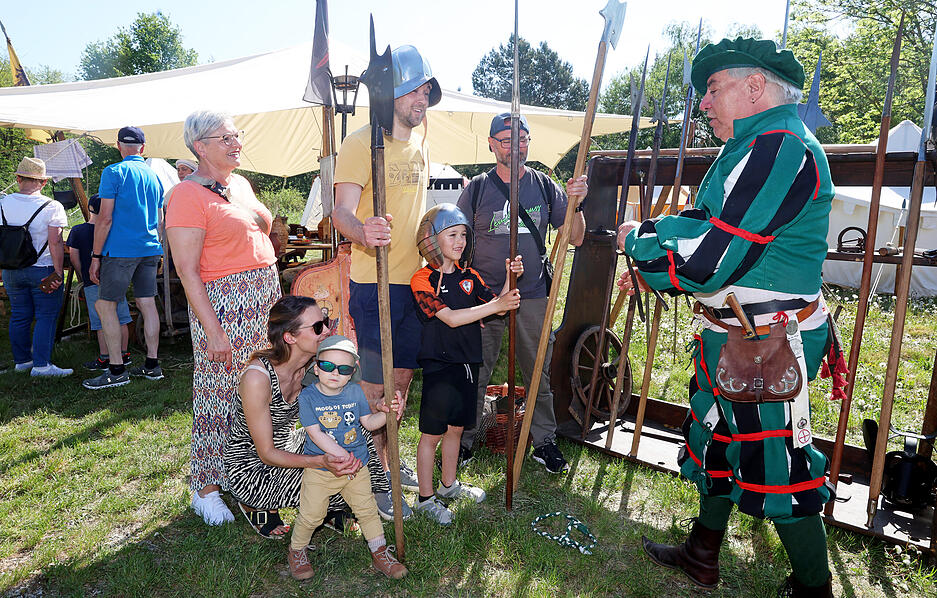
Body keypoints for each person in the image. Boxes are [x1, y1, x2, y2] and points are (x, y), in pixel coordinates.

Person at [617, 38, 836, 597]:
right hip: (734, 334)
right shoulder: (749, 147)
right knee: (717, 438)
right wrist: (663, 251)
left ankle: (814, 588)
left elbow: (711, 258)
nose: (704, 104)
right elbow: (697, 229)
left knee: (776, 461)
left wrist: (642, 241)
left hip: (767, 341)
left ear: (755, 86)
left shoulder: (781, 146)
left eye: (713, 89)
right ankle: (702, 553)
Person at [332, 44, 442, 517]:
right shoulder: (358, 143)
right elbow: (340, 213)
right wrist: (364, 230)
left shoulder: (422, 142)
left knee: (400, 382)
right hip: (373, 282)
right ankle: (376, 477)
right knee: (374, 386)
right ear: (392, 93)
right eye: (416, 90)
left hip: (415, 282)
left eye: (426, 90)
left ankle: (389, 460)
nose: (424, 98)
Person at [164, 110, 282, 526]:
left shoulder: (240, 185)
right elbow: (187, 270)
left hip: (263, 298)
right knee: (218, 393)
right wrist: (213, 330)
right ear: (200, 146)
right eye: (226, 138)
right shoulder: (186, 195)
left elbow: (261, 230)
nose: (237, 143)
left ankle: (242, 472)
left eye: (237, 135)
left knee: (259, 389)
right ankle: (206, 487)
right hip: (224, 304)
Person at [456, 113, 587, 474]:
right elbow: (455, 236)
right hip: (484, 299)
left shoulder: (545, 185)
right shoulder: (478, 188)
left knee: (537, 373)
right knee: (475, 371)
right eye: (506, 140)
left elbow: (574, 236)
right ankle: (463, 442)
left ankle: (543, 440)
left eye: (523, 139)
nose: (516, 147)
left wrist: (577, 203)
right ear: (491, 144)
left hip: (531, 294)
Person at [224, 297, 385, 539]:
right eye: (318, 327)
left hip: (290, 444)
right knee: (323, 474)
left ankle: (337, 503)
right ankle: (254, 502)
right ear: (290, 337)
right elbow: (266, 452)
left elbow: (349, 406)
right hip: (254, 464)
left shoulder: (316, 366)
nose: (328, 331)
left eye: (326, 322)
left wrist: (382, 408)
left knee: (355, 432)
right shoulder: (257, 378)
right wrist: (320, 461)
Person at [409, 204, 522, 524]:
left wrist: (510, 280)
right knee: (432, 434)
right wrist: (497, 305)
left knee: (456, 428)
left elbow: (497, 308)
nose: (459, 241)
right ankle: (425, 497)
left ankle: (448, 485)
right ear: (431, 238)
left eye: (463, 235)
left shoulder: (470, 276)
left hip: (468, 364)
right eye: (451, 235)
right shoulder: (422, 278)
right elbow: (452, 319)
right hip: (440, 366)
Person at [288, 334, 407, 580]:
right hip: (321, 471)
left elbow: (369, 423)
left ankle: (380, 551)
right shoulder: (308, 397)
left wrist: (387, 414)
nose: (335, 373)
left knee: (367, 510)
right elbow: (315, 433)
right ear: (316, 367)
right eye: (328, 366)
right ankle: (297, 549)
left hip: (357, 468)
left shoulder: (354, 392)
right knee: (312, 515)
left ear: (352, 372)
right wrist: (343, 457)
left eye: (343, 369)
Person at [83, 126, 165, 389]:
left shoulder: (113, 172)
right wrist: (158, 247)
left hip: (119, 250)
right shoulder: (154, 176)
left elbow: (104, 218)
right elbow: (161, 221)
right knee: (147, 303)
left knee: (105, 305)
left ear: (118, 145)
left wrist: (95, 256)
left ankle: (116, 370)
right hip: (150, 248)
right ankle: (152, 365)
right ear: (143, 147)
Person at [1, 157, 71, 377]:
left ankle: (22, 361)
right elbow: (55, 242)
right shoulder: (52, 206)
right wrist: (58, 272)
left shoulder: (2, 203)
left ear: (19, 178)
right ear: (43, 182)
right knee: (46, 315)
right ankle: (42, 365)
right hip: (43, 268)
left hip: (11, 269)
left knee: (19, 315)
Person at [66, 194, 132, 370]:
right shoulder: (115, 228)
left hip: (92, 281)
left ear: (90, 208)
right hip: (116, 278)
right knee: (122, 318)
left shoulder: (78, 230)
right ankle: (124, 354)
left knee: (100, 321)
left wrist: (82, 274)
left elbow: (74, 256)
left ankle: (105, 357)